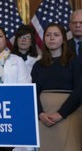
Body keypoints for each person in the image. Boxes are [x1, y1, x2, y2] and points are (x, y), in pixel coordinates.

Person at [31, 23, 82, 151]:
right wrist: (40, 114)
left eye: (56, 35)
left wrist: (61, 113)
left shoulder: (75, 62)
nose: (51, 38)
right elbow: (33, 93)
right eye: (48, 35)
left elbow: (79, 91)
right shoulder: (38, 65)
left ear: (63, 39)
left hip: (69, 114)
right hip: (44, 118)